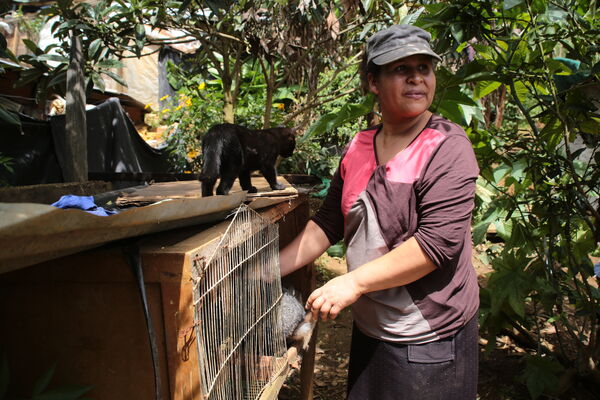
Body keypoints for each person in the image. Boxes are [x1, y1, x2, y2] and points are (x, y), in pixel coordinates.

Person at [280, 24, 480, 399]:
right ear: (373, 82)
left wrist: (352, 282)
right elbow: (329, 223)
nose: (417, 78)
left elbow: (436, 245)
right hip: (374, 326)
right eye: (401, 69)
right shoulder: (359, 145)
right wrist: (269, 269)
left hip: (428, 336)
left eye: (425, 67)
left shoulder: (447, 147)